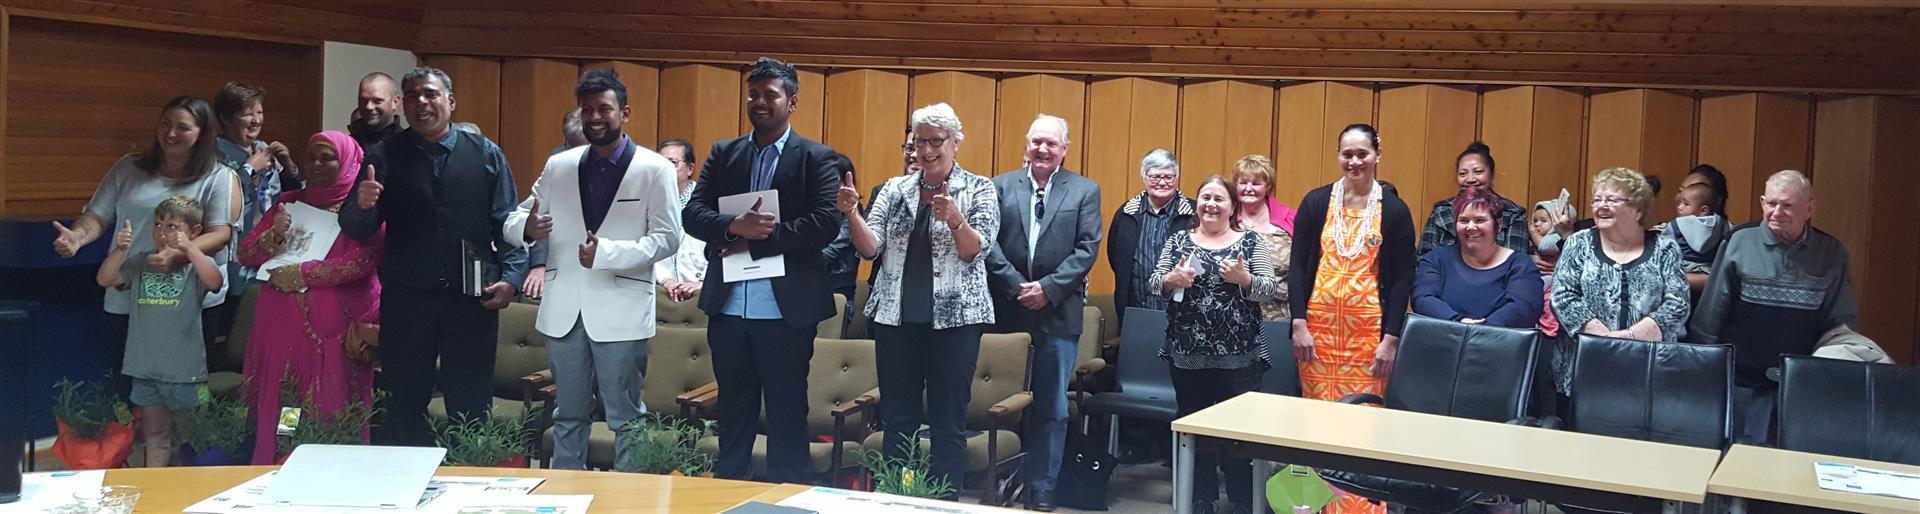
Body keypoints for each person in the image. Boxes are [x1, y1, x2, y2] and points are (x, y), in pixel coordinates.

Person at [505, 69, 681, 470]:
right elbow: (516, 218)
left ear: (625, 113)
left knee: (625, 418)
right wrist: (527, 229)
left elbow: (669, 238)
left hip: (621, 308)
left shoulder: (655, 169)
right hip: (564, 307)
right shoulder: (560, 165)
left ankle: (628, 501)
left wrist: (608, 253)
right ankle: (566, 495)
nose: (595, 117)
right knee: (567, 415)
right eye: (588, 110)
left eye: (605, 109)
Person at [681, 57, 842, 484]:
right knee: (732, 411)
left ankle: (788, 501)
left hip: (785, 311)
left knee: (788, 413)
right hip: (730, 306)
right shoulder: (724, 153)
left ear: (792, 102)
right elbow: (692, 215)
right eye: (753, 94)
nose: (759, 102)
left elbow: (826, 222)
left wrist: (759, 236)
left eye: (770, 94)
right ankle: (727, 496)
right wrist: (733, 226)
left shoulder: (817, 157)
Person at [340, 66, 520, 446]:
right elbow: (357, 228)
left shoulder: (486, 153)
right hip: (407, 297)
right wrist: (362, 206)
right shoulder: (383, 154)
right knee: (403, 399)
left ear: (450, 101)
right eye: (412, 96)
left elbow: (507, 224)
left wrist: (512, 278)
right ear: (402, 105)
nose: (421, 103)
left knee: (470, 401)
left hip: (472, 298)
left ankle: (470, 484)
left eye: (430, 94)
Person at [841, 103, 997, 498]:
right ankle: (899, 497)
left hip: (956, 323)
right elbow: (869, 248)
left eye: (935, 141)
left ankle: (944, 503)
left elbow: (974, 252)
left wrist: (956, 220)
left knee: (947, 422)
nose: (926, 151)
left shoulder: (979, 188)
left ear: (955, 143)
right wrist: (852, 213)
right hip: (896, 319)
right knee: (898, 421)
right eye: (919, 142)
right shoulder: (895, 189)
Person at [53, 96, 240, 401]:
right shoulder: (129, 167)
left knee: (183, 394)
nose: (171, 133)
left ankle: (182, 449)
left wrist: (181, 250)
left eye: (183, 127)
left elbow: (220, 234)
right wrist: (76, 237)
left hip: (187, 301)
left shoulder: (219, 177)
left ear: (202, 133)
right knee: (130, 391)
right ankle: (140, 448)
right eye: (165, 123)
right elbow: (98, 216)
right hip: (129, 293)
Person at [1288, 123, 1414, 514]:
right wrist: (1299, 323)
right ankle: (1314, 508)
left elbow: (1401, 279)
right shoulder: (1315, 202)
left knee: (1363, 426)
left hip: (1368, 341)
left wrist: (1390, 337)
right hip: (1318, 338)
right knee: (1318, 427)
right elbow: (1297, 267)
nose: (1354, 161)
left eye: (1362, 153)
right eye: (1347, 153)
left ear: (1378, 154)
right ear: (1338, 156)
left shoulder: (1393, 209)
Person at [235, 131, 382, 464]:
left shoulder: (362, 207)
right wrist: (274, 236)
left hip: (335, 335)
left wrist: (303, 274)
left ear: (348, 162)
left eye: (327, 157)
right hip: (281, 328)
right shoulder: (289, 201)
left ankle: (330, 476)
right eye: (311, 156)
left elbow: (364, 260)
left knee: (330, 404)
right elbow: (246, 254)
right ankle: (283, 463)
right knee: (288, 404)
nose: (316, 164)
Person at [983, 114, 1101, 512]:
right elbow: (989, 244)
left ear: (1064, 149)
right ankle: (999, 479)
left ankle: (1043, 487)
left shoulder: (1084, 190)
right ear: (1026, 144)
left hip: (1058, 314)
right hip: (1008, 311)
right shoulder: (999, 186)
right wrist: (1017, 286)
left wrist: (1047, 290)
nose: (1043, 149)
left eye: (1051, 143)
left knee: (1051, 406)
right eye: (1037, 141)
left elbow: (1087, 249)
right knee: (1000, 402)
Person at [1691, 170, 1857, 445]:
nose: (1777, 212)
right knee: (1738, 464)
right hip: (1741, 382)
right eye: (1771, 204)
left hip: (1802, 387)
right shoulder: (1739, 241)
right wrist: (1705, 373)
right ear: (1762, 202)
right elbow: (1711, 314)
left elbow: (1841, 323)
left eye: (1788, 206)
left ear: (1809, 209)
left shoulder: (1831, 253)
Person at [1151, 177, 1280, 514]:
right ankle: (1200, 500)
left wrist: (1244, 279)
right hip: (1188, 358)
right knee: (1194, 432)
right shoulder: (1179, 240)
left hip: (1241, 361)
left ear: (1232, 206)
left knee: (1240, 436)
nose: (1210, 204)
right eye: (1205, 197)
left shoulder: (1251, 242)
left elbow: (1269, 289)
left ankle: (1242, 501)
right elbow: (1154, 283)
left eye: (1218, 198)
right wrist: (1171, 281)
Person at [96, 195, 224, 467]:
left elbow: (214, 281)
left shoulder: (193, 267)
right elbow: (105, 278)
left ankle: (196, 492)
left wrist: (190, 249)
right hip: (145, 370)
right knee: (155, 435)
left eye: (172, 227)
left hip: (188, 375)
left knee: (196, 435)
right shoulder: (142, 263)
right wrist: (120, 250)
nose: (162, 233)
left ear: (194, 232)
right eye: (158, 225)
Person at [1548, 167, 1691, 400]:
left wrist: (1631, 337)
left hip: (1648, 371)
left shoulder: (1665, 249)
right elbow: (1563, 297)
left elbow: (1678, 304)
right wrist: (1604, 339)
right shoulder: (1578, 243)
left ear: (1638, 209)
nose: (1601, 206)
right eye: (1597, 199)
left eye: (1612, 200)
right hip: (1583, 370)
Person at [1411, 188, 1544, 328]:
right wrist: (1458, 322)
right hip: (1443, 342)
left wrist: (1480, 330)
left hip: (1501, 345)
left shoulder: (1520, 264)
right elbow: (1422, 298)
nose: (1471, 227)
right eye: (1463, 220)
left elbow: (1524, 308)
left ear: (1498, 225)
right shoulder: (1436, 259)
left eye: (1480, 220)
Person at [1107, 149, 1194, 329]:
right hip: (1136, 310)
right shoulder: (1125, 214)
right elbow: (1115, 257)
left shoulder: (1194, 215)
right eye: (1155, 177)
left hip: (1184, 314)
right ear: (1144, 177)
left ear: (1176, 178)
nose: (1162, 182)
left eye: (1168, 177)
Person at [1418, 142, 1529, 256]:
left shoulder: (1513, 213)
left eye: (1478, 172)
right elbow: (1424, 258)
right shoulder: (1441, 211)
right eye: (1463, 174)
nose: (1470, 179)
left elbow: (1515, 263)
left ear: (1491, 174)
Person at [1231, 155, 1294, 321]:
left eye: (1256, 183)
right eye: (1243, 182)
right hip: (1233, 318)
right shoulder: (1225, 218)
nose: (1249, 188)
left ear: (1268, 187)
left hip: (1280, 317)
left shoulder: (1290, 219)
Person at [656, 139, 708, 302]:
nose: (665, 168)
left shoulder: (707, 202)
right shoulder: (651, 203)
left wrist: (702, 282)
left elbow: (722, 251)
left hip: (702, 290)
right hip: (663, 292)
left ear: (690, 169)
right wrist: (667, 280)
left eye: (673, 162)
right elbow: (648, 249)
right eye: (660, 163)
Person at [821, 153, 861, 311]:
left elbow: (833, 250)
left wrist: (801, 263)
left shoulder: (854, 213)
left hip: (839, 292)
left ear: (845, 182)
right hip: (811, 287)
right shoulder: (818, 210)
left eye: (833, 180)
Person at [348, 72, 405, 149]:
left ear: (395, 102)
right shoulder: (348, 145)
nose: (369, 107)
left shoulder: (408, 146)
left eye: (377, 101)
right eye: (363, 100)